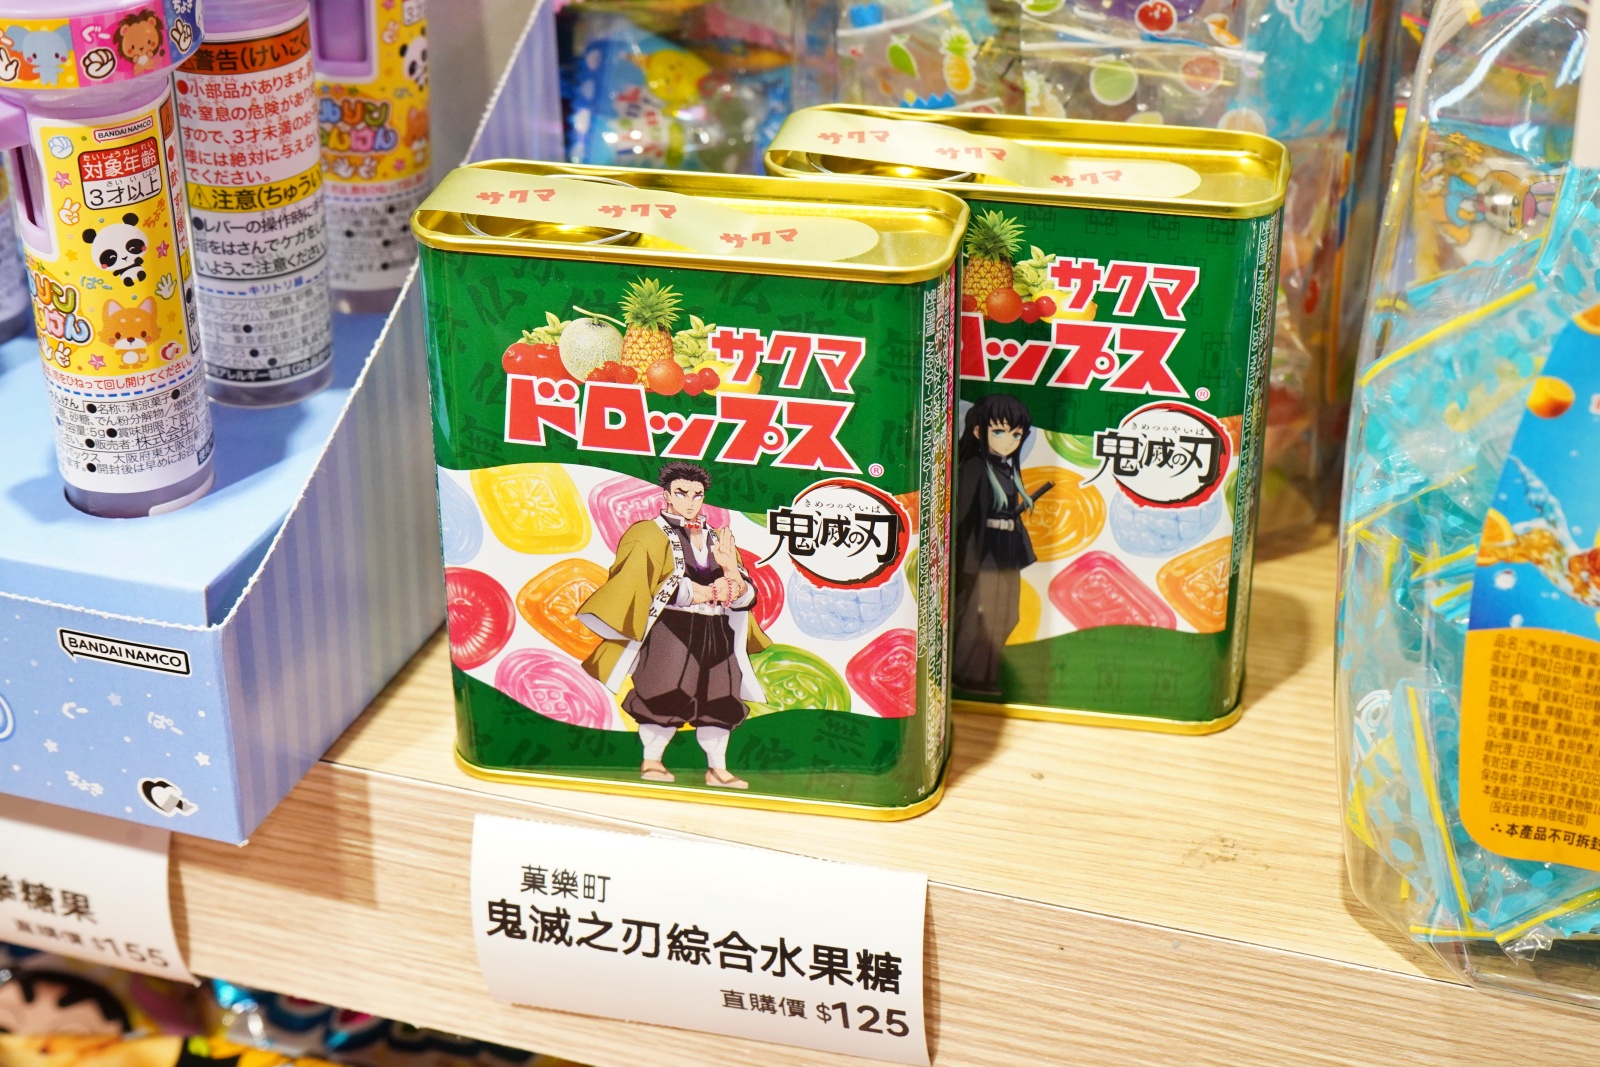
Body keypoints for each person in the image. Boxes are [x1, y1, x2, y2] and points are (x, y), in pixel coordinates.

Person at [578, 463, 768, 788]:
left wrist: (730, 574)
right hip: (670, 629)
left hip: (717, 630)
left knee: (720, 697)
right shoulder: (647, 533)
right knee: (663, 692)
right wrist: (706, 591)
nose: (690, 502)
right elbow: (640, 583)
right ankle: (652, 760)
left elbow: (745, 593)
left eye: (697, 495)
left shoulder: (717, 538)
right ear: (666, 494)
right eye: (682, 493)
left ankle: (717, 768)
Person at [952, 394, 1038, 698]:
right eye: (998, 431)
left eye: (1016, 434)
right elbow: (960, 517)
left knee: (1007, 614)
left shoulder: (1005, 469)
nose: (1008, 441)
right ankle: (966, 675)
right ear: (978, 431)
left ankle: (981, 675)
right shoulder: (974, 468)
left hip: (1006, 551)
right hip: (982, 552)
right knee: (979, 615)